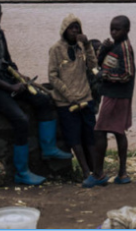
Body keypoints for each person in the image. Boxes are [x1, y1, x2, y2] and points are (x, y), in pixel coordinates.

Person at [0, 0, 71, 187]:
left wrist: (20, 78)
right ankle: (21, 172)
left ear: (1, 15)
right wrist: (11, 88)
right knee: (20, 120)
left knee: (43, 100)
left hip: (6, 81)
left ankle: (49, 148)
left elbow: (7, 61)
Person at [48, 13, 99, 185]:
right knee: (74, 138)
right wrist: (69, 97)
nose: (75, 30)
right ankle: (86, 172)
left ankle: (97, 171)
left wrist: (87, 44)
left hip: (85, 97)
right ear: (64, 30)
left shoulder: (81, 47)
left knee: (90, 135)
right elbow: (53, 77)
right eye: (71, 27)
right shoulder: (56, 49)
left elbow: (93, 65)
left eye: (77, 27)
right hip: (66, 103)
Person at [89, 16, 136, 188]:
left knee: (100, 130)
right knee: (118, 131)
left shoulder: (125, 48)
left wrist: (106, 76)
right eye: (112, 29)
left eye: (118, 29)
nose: (114, 32)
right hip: (112, 93)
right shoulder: (114, 46)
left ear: (127, 30)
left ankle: (98, 174)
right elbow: (101, 63)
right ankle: (122, 174)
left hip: (118, 94)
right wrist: (104, 49)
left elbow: (127, 74)